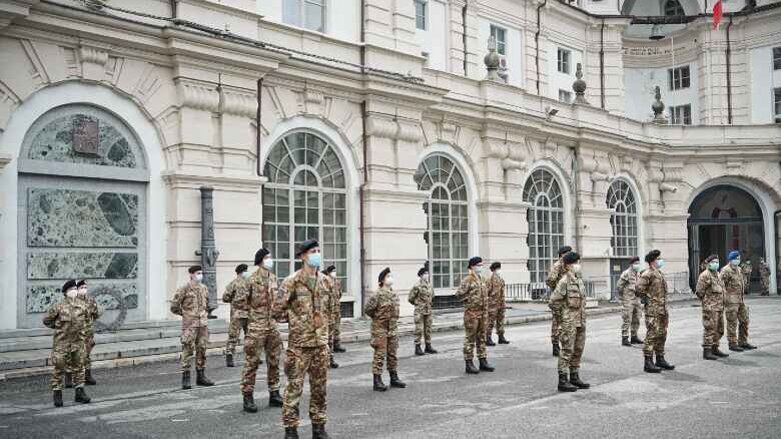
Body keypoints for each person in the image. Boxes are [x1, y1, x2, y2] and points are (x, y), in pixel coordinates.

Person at [272, 239, 330, 439]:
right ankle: (291, 430)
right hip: (299, 345)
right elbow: (277, 310)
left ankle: (318, 428)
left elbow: (328, 308)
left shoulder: (325, 281)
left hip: (320, 344)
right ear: (303, 256)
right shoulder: (292, 281)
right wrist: (296, 320)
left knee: (319, 388)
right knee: (294, 389)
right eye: (313, 251)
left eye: (318, 250)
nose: (317, 254)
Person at [240, 248, 283, 413]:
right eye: (267, 257)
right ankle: (248, 396)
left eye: (270, 257)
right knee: (251, 363)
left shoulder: (273, 278)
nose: (270, 260)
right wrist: (252, 318)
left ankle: (274, 393)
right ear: (260, 260)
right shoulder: (251, 280)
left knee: (274, 360)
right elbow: (242, 302)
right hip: (257, 326)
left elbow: (277, 301)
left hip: (271, 325)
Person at [43, 280, 91, 407]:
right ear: (65, 292)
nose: (74, 291)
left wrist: (82, 334)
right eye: (71, 289)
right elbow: (47, 320)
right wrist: (59, 328)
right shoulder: (58, 306)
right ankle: (57, 393)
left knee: (79, 368)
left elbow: (87, 320)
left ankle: (79, 393)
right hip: (62, 343)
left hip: (78, 343)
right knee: (58, 368)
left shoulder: (83, 305)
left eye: (75, 289)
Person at [550, 252, 590, 392]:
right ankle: (562, 380)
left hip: (580, 320)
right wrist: (562, 319)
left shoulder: (578, 280)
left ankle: (574, 376)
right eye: (576, 263)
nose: (578, 265)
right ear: (568, 265)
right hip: (569, 322)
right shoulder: (564, 281)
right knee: (567, 350)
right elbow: (553, 302)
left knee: (578, 349)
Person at [170, 265, 214, 389]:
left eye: (201, 272)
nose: (200, 275)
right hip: (190, 325)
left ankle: (201, 376)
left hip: (203, 325)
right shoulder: (184, 288)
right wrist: (186, 315)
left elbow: (207, 304)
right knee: (187, 351)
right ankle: (186, 377)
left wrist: (204, 315)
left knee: (202, 350)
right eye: (197, 273)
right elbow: (174, 306)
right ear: (191, 274)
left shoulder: (204, 288)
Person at [365, 267, 406, 392]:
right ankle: (377, 380)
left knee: (392, 354)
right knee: (380, 354)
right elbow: (368, 309)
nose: (390, 278)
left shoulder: (394, 294)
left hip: (392, 328)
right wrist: (377, 319)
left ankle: (394, 378)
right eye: (388, 276)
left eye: (391, 276)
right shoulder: (377, 294)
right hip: (380, 328)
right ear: (382, 280)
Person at [636, 249, 674, 373]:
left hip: (662, 309)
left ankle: (660, 358)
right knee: (652, 335)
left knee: (662, 334)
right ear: (653, 260)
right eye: (659, 259)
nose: (661, 261)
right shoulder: (647, 274)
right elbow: (638, 290)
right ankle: (648, 362)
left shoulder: (660, 273)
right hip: (653, 310)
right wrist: (648, 300)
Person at [456, 256, 494, 374]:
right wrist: (470, 300)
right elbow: (459, 294)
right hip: (472, 313)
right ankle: (469, 363)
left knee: (481, 337)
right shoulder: (468, 280)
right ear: (472, 266)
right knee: (470, 338)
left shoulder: (482, 279)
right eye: (478, 265)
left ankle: (483, 360)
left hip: (483, 313)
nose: (480, 267)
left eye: (481, 265)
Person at [720, 251, 757, 352]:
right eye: (736, 258)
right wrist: (725, 299)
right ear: (731, 259)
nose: (738, 260)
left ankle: (743, 341)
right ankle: (732, 343)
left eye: (739, 258)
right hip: (731, 301)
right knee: (732, 322)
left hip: (740, 300)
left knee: (745, 320)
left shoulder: (739, 269)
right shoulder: (726, 270)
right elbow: (721, 285)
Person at [695, 255, 729, 360]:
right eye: (713, 262)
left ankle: (715, 348)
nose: (716, 264)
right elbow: (699, 292)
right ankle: (707, 351)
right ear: (708, 263)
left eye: (717, 262)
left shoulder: (717, 275)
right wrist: (707, 303)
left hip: (719, 307)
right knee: (709, 329)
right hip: (710, 308)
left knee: (719, 329)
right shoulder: (705, 275)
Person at [223, 264, 252, 368]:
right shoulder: (250, 283)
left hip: (237, 314)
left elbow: (225, 297)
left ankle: (229, 356)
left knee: (233, 336)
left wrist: (234, 300)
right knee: (249, 336)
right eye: (246, 270)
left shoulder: (233, 284)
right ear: (242, 271)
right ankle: (251, 357)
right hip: (248, 314)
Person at [547, 245, 572, 357]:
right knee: (557, 322)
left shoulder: (570, 265)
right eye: (567, 253)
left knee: (567, 322)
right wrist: (556, 290)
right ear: (562, 254)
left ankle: (566, 344)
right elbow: (550, 280)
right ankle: (555, 345)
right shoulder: (557, 265)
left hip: (568, 298)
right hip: (559, 298)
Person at [76, 280, 100, 386]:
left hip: (88, 332)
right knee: (73, 355)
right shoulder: (72, 301)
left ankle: (87, 376)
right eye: (81, 287)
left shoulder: (91, 300)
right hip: (76, 333)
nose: (84, 289)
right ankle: (69, 378)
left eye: (85, 287)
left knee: (87, 355)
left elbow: (95, 314)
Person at [409, 264, 436, 356]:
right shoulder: (417, 286)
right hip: (419, 310)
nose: (427, 275)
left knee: (428, 328)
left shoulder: (429, 285)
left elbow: (432, 296)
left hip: (428, 310)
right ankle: (418, 347)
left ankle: (428, 346)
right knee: (419, 329)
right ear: (420, 275)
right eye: (425, 273)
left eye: (427, 273)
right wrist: (417, 304)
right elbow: (411, 298)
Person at [616, 257, 643, 347]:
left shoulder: (638, 273)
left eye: (638, 263)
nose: (637, 265)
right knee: (627, 319)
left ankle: (634, 336)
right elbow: (619, 286)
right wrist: (623, 297)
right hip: (628, 299)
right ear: (631, 264)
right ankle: (625, 338)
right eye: (636, 263)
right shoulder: (626, 273)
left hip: (637, 299)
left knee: (637, 318)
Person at [486, 262, 509, 346]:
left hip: (501, 304)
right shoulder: (490, 280)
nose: (499, 270)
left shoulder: (501, 279)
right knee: (490, 322)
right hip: (492, 304)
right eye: (497, 269)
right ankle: (487, 338)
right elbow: (486, 293)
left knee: (500, 321)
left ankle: (501, 337)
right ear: (493, 270)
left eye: (499, 268)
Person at [322, 265, 340, 368]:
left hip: (331, 316)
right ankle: (325, 360)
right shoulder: (323, 288)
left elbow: (337, 296)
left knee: (330, 340)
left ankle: (330, 359)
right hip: (324, 318)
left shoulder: (334, 283)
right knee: (324, 340)